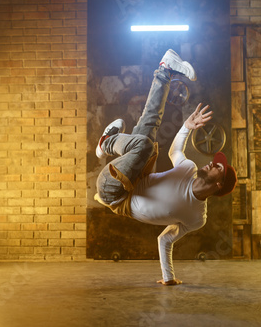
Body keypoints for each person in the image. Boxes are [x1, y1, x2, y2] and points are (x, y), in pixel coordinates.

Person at [94, 49, 237, 286]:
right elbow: (175, 152)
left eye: (217, 168)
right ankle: (165, 69)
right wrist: (187, 126)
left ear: (218, 184)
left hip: (115, 193)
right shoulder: (189, 168)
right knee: (150, 125)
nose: (213, 162)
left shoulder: (196, 218)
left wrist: (168, 277)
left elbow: (165, 240)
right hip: (134, 173)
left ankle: (106, 142)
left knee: (145, 145)